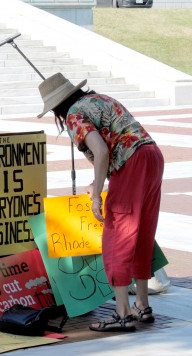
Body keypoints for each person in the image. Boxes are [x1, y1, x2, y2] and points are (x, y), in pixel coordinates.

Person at [37, 73, 164, 332]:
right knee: (141, 234)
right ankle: (142, 305)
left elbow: (102, 151)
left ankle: (123, 314)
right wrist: (98, 181)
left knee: (116, 237)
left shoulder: (73, 114)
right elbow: (111, 145)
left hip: (130, 165)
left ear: (56, 107)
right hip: (152, 155)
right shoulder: (100, 99)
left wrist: (96, 195)